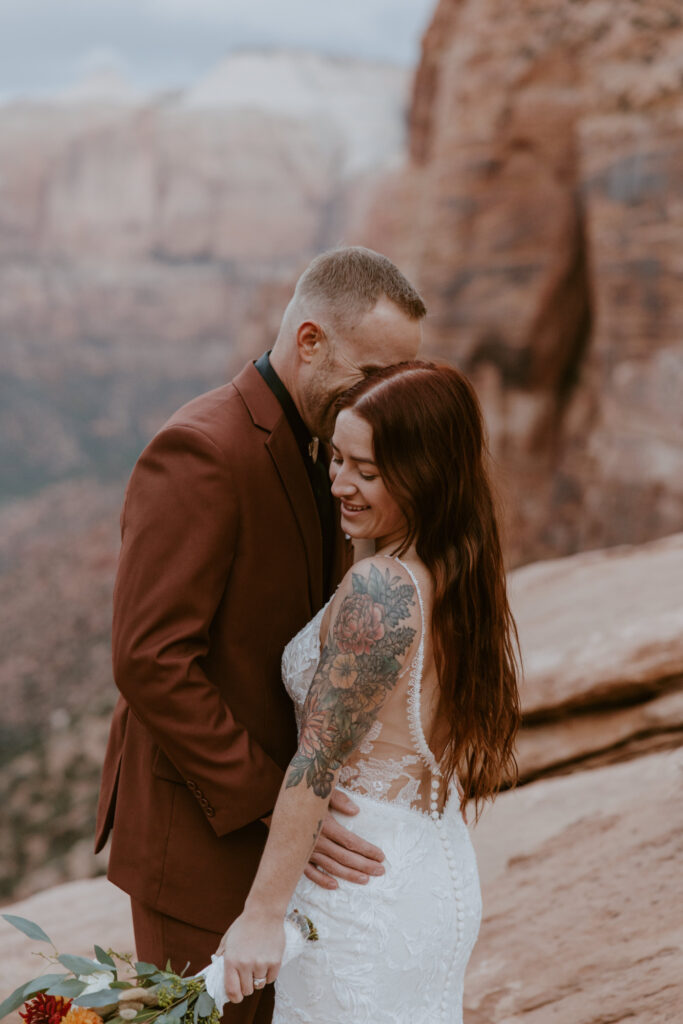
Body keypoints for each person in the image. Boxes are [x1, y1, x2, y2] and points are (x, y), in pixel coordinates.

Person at [94, 247, 425, 1024]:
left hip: (291, 835)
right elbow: (149, 661)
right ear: (309, 341)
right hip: (204, 838)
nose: (385, 394)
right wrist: (278, 806)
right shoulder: (203, 450)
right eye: (372, 370)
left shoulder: (335, 442)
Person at [216, 361, 522, 1024]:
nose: (339, 484)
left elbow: (318, 758)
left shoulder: (381, 591)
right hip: (429, 862)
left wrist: (261, 917)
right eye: (336, 459)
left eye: (367, 471)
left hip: (357, 886)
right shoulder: (458, 565)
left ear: (425, 473)